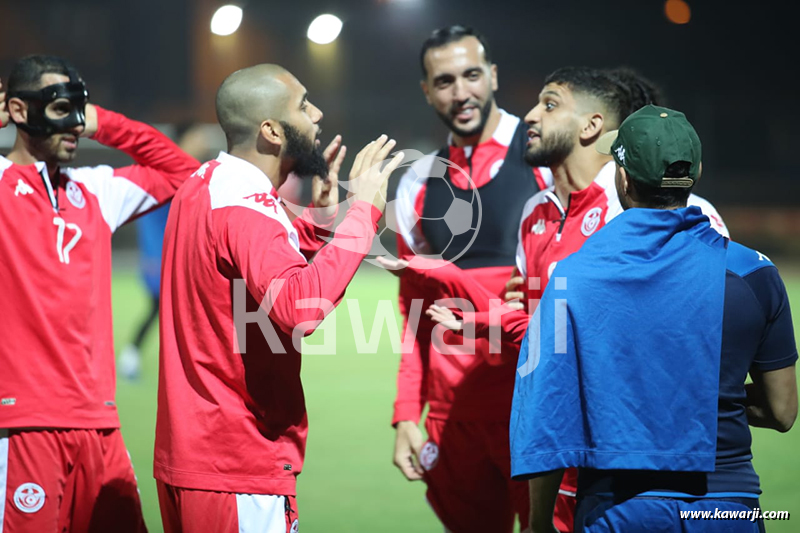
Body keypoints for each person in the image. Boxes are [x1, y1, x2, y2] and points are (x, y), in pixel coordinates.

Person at [415, 66, 729, 531]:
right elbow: (545, 352)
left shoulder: (656, 210)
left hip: (643, 470)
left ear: (591, 126)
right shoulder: (535, 214)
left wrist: (498, 320)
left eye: (549, 104)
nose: (530, 117)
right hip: (561, 469)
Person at [510, 104, 798, 533]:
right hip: (726, 504)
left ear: (624, 180)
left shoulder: (575, 276)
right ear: (695, 173)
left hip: (617, 506)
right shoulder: (754, 274)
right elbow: (782, 411)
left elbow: (550, 414)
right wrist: (691, 402)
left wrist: (538, 523)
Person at [154, 63, 403, 533]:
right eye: (304, 105)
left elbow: (243, 264)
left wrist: (325, 221)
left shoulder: (206, 185)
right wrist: (364, 211)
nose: (317, 113)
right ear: (271, 129)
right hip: (236, 461)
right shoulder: (246, 206)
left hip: (194, 458)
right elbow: (299, 308)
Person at [0, 55, 199, 531]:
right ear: (19, 111)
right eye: (59, 108)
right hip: (24, 425)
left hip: (99, 423)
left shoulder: (95, 191)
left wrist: (102, 123)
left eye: (79, 109)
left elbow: (182, 172)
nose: (73, 123)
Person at [388, 25, 549, 533]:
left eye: (472, 75)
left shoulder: (547, 156)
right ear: (426, 90)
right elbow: (413, 311)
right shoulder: (417, 181)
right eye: (445, 81)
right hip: (453, 419)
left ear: (493, 76)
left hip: (536, 408)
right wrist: (405, 414)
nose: (461, 93)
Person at [117, 123, 216, 380]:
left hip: (176, 257)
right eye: (198, 137)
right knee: (171, 310)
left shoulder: (190, 172)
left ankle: (134, 356)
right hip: (163, 258)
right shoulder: (172, 173)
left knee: (165, 311)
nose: (204, 143)